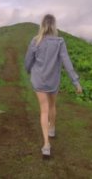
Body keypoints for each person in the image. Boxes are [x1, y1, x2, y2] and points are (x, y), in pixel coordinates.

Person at [24, 14, 83, 157]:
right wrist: (75, 82)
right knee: (52, 106)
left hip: (38, 80)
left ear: (42, 25)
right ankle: (52, 129)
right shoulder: (60, 42)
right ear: (54, 25)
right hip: (53, 81)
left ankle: (46, 145)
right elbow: (67, 62)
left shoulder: (35, 41)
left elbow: (28, 60)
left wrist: (28, 70)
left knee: (43, 110)